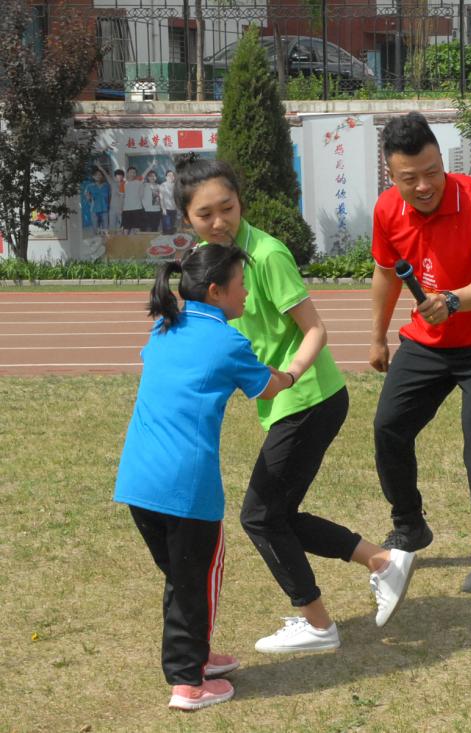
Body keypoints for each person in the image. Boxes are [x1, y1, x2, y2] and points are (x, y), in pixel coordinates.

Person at [174, 154, 415, 653]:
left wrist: (288, 377)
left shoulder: (266, 256)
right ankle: (383, 562)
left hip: (310, 398)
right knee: (276, 514)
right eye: (205, 214)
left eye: (227, 208)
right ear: (187, 219)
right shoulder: (206, 258)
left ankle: (318, 624)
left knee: (261, 516)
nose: (219, 222)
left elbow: (315, 330)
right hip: (287, 402)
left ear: (241, 203)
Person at [114, 244, 293, 710]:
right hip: (185, 487)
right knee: (195, 580)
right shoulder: (228, 341)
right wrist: (293, 374)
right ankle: (188, 684)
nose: (247, 293)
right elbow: (267, 387)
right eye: (241, 285)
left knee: (182, 575)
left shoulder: (164, 326)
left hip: (138, 480)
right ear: (216, 291)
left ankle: (196, 656)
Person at [369, 112, 471, 592]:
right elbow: (386, 272)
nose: (423, 186)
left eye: (432, 172)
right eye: (409, 178)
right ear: (391, 175)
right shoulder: (387, 210)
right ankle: (410, 524)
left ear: (442, 161)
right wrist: (377, 336)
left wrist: (452, 301)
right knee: (389, 427)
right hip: (428, 341)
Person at [160, 170, 178, 234]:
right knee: (167, 228)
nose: (171, 176)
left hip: (174, 209)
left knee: (172, 227)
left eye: (172, 175)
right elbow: (161, 198)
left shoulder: (175, 186)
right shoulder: (163, 185)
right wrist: (163, 209)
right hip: (166, 209)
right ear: (166, 177)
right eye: (169, 175)